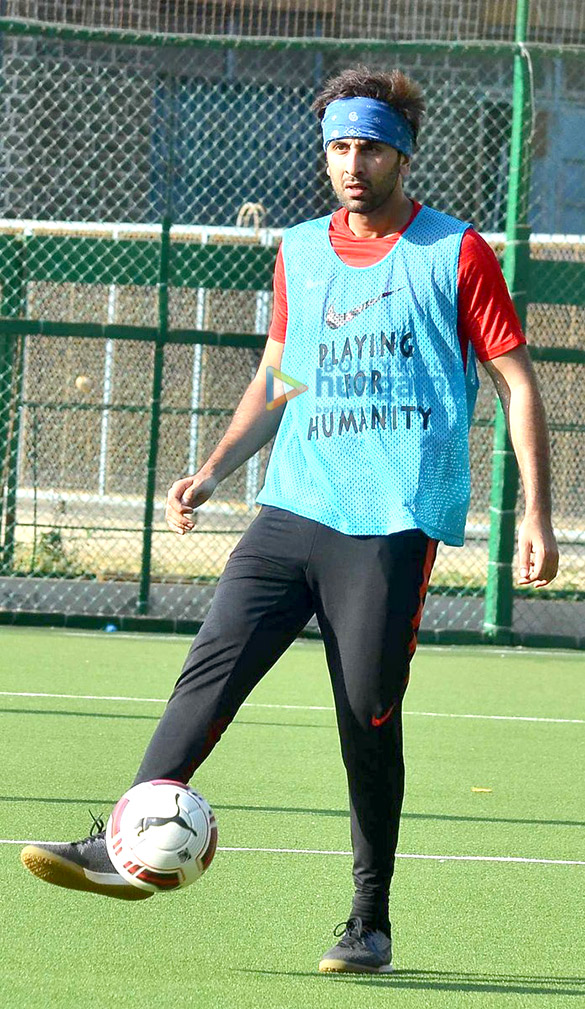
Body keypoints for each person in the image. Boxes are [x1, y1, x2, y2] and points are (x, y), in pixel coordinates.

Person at [21, 66, 559, 974]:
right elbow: (281, 374)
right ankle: (122, 842)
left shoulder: (455, 252)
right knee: (209, 674)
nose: (352, 164)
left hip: (387, 521)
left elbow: (514, 379)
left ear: (401, 153)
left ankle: (368, 919)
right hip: (290, 510)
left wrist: (535, 511)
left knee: (365, 713)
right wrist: (211, 469)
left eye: (370, 147)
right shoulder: (300, 249)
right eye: (339, 147)